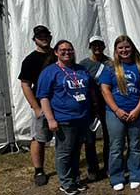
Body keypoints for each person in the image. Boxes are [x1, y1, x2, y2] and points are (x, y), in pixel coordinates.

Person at [37, 40, 91, 195]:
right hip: (63, 118)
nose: (67, 52)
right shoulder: (50, 71)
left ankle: (75, 179)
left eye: (70, 50)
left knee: (75, 151)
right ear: (56, 52)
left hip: (81, 117)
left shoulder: (80, 69)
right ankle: (65, 182)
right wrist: (51, 119)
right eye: (63, 50)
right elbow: (44, 97)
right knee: (64, 152)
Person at [99, 35, 140, 191]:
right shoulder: (110, 67)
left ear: (132, 47)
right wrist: (116, 109)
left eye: (127, 47)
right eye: (120, 48)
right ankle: (117, 176)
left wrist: (137, 110)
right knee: (116, 146)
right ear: (116, 50)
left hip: (136, 112)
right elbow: (104, 89)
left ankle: (136, 174)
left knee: (135, 145)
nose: (124, 50)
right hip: (115, 113)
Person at [18, 25, 54, 186]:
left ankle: (67, 165)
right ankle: (39, 170)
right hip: (41, 104)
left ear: (50, 37)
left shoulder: (58, 54)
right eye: (40, 36)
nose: (44, 38)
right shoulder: (30, 60)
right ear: (34, 39)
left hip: (62, 103)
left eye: (46, 35)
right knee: (39, 138)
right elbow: (25, 85)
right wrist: (36, 108)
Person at [79, 36, 112, 181]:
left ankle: (109, 166)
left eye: (99, 45)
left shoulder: (110, 63)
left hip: (107, 103)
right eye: (94, 45)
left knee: (109, 137)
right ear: (90, 46)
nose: (97, 47)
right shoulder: (83, 64)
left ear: (103, 46)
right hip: (90, 106)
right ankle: (92, 168)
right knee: (90, 139)